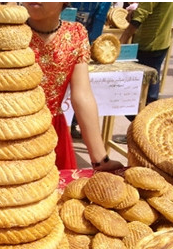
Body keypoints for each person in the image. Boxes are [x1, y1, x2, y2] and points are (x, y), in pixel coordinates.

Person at [23, 2, 123, 171]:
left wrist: (100, 158)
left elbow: (82, 95)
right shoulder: (9, 33)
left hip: (53, 132)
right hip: (12, 133)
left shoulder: (76, 34)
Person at [120, 3, 173, 117]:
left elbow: (140, 16)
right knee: (150, 86)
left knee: (138, 93)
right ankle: (146, 125)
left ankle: (144, 127)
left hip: (149, 44)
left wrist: (121, 42)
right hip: (160, 42)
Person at [69, 2, 112, 139]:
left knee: (79, 88)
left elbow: (98, 22)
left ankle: (73, 123)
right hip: (63, 39)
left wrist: (89, 45)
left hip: (81, 42)